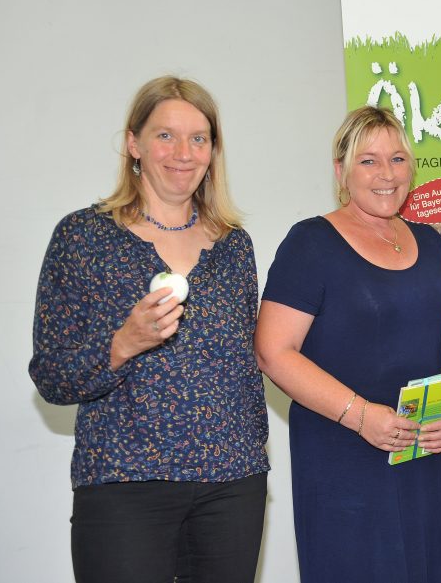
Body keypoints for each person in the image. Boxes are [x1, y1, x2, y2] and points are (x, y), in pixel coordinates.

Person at [29, 76, 270, 583]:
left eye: (199, 138)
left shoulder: (234, 247)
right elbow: (51, 376)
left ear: (212, 151)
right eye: (165, 136)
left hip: (232, 485)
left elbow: (247, 364)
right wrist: (122, 345)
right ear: (133, 143)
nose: (183, 153)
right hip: (124, 485)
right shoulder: (82, 237)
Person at [254, 106, 441, 583]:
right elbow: (272, 351)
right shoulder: (310, 243)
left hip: (426, 453)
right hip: (344, 461)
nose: (386, 174)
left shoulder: (431, 245)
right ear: (341, 170)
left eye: (397, 158)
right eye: (368, 160)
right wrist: (362, 416)